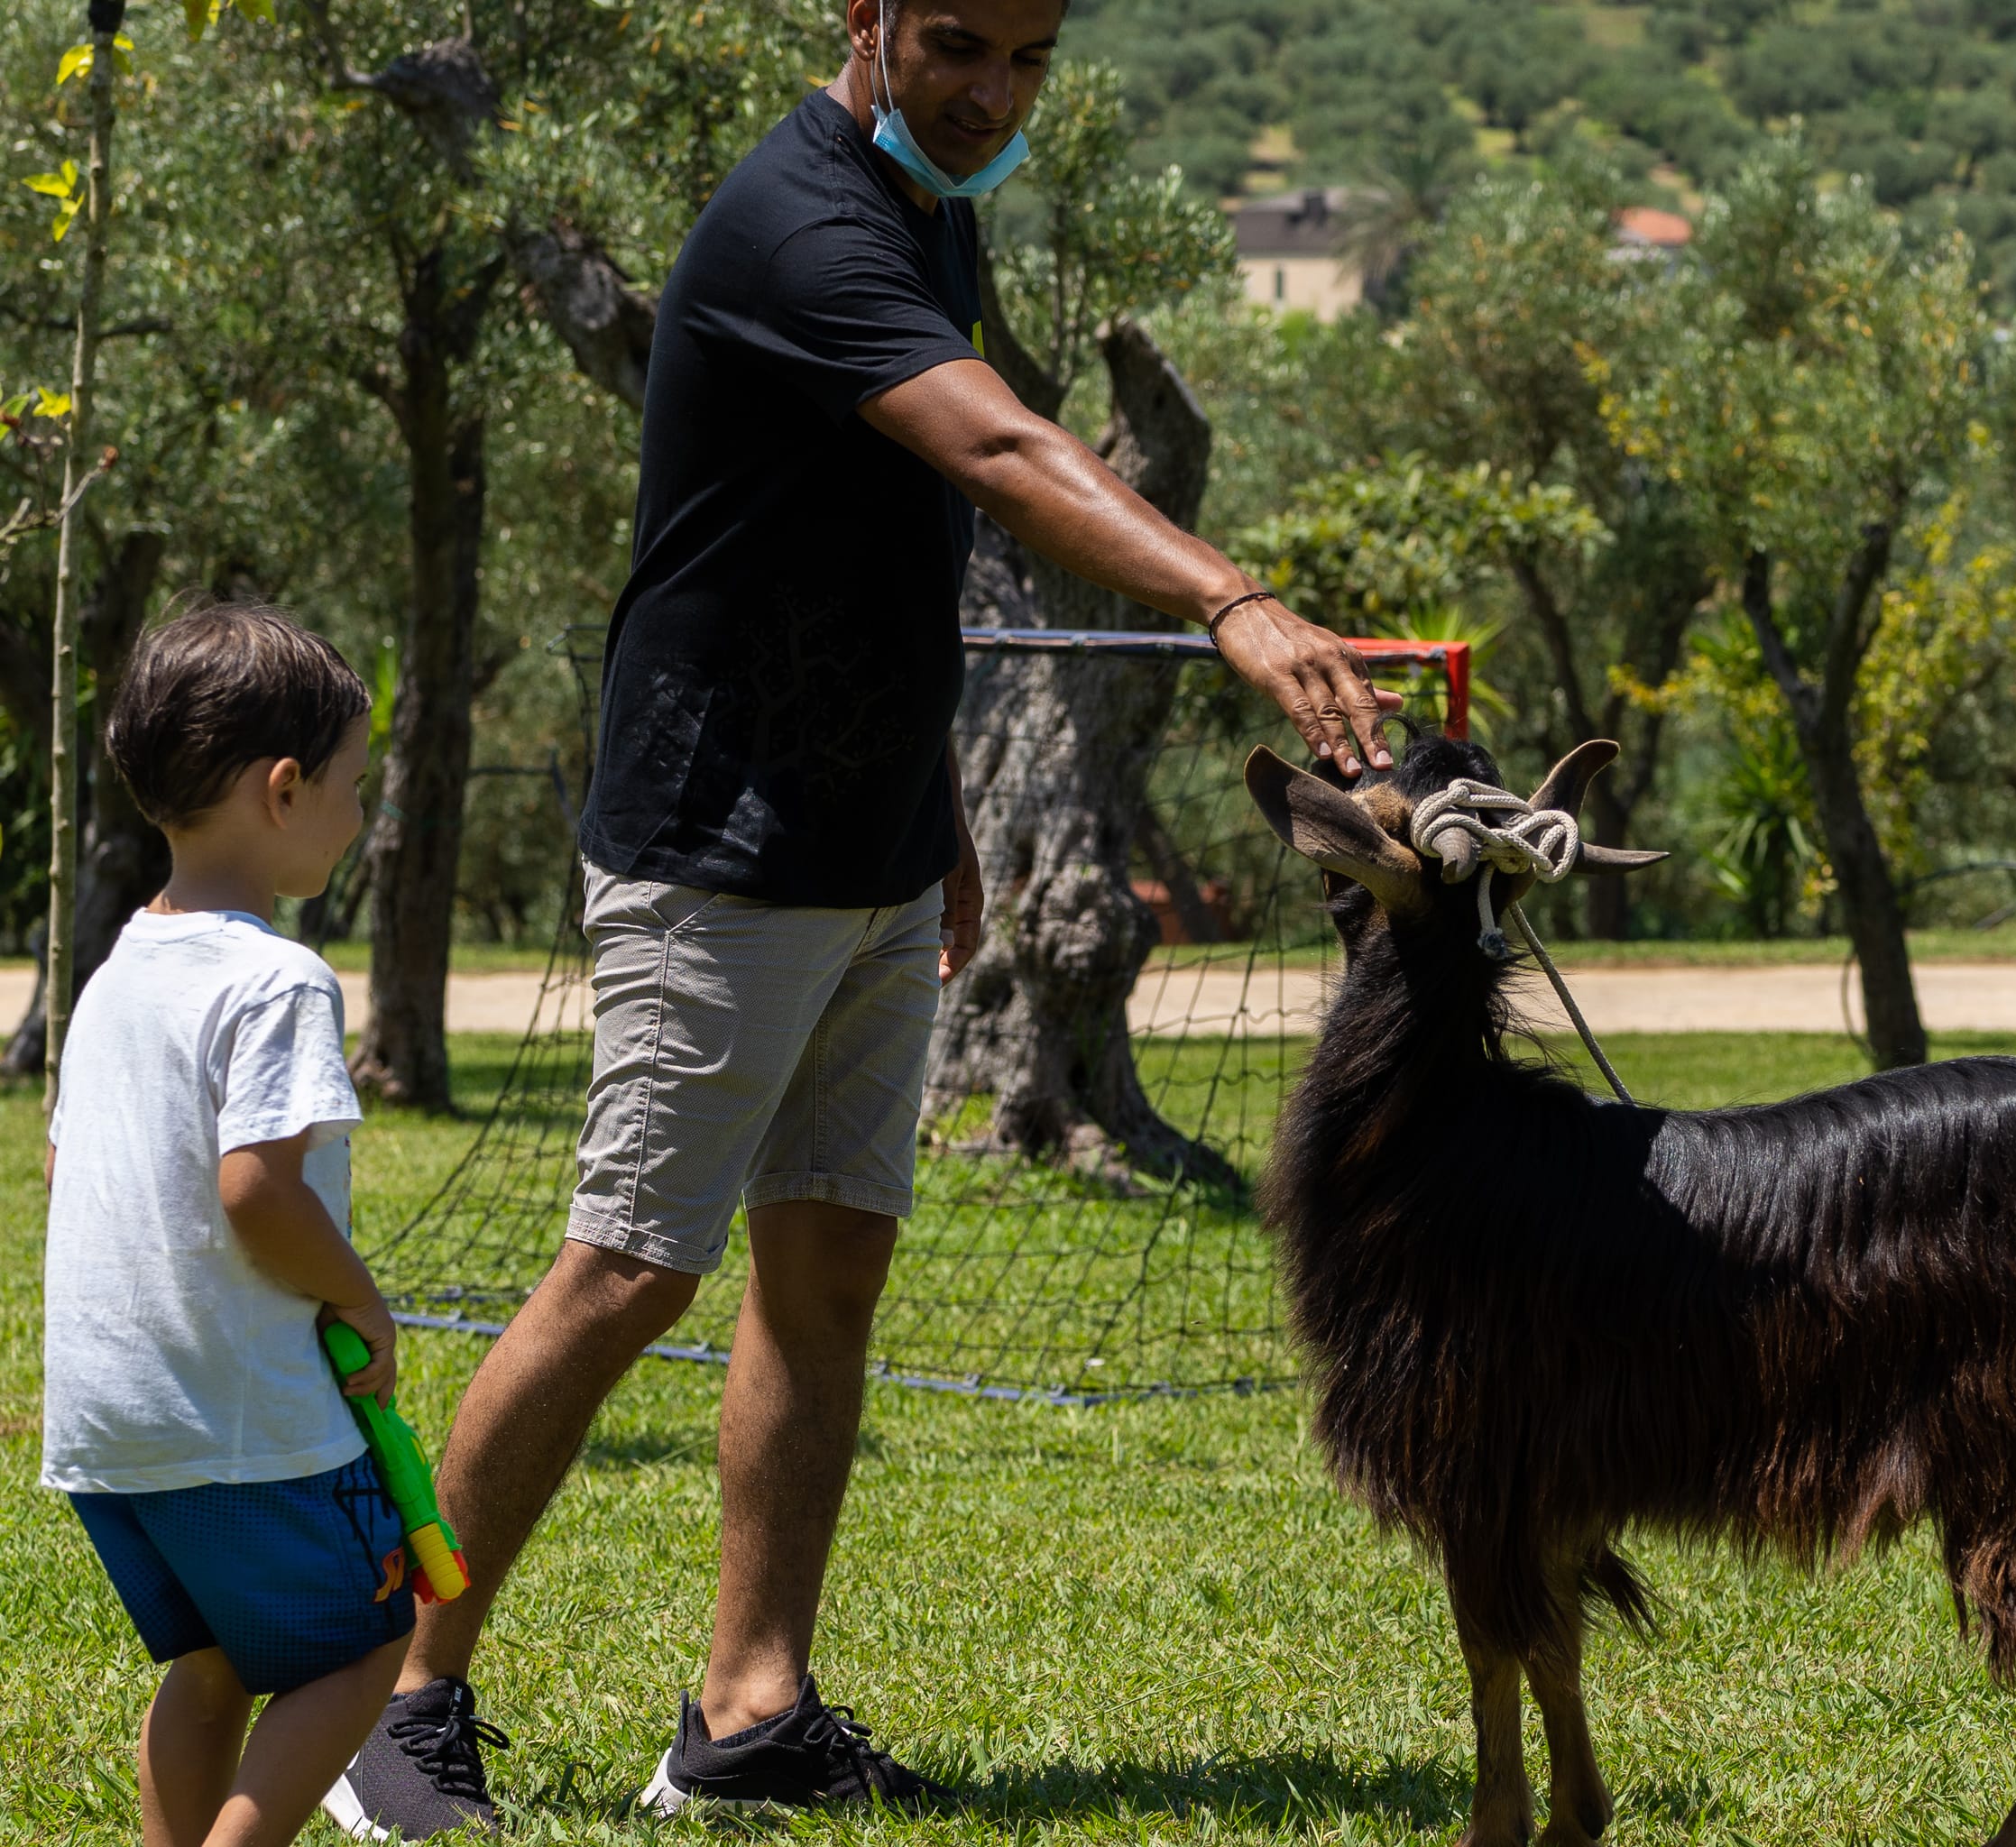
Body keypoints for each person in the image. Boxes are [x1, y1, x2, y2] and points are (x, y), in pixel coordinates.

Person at [324, 0, 1402, 1833]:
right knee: (628, 1264)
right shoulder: (801, 224)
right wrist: (1233, 600)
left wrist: (944, 813)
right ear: (870, 23)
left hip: (872, 842)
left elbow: (902, 546)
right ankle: (389, 1702)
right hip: (717, 842)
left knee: (825, 1272)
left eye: (1030, 61)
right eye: (961, 46)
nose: (991, 95)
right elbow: (993, 454)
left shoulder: (934, 215)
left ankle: (747, 1714)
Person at [41, 604, 394, 1847]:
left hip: (104, 1424)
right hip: (235, 1420)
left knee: (205, 1667)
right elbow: (258, 1191)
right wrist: (358, 1298)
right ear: (283, 789)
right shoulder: (277, 975)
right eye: (358, 786)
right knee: (362, 1650)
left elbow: (69, 1166)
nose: (364, 815)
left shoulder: (112, 974)